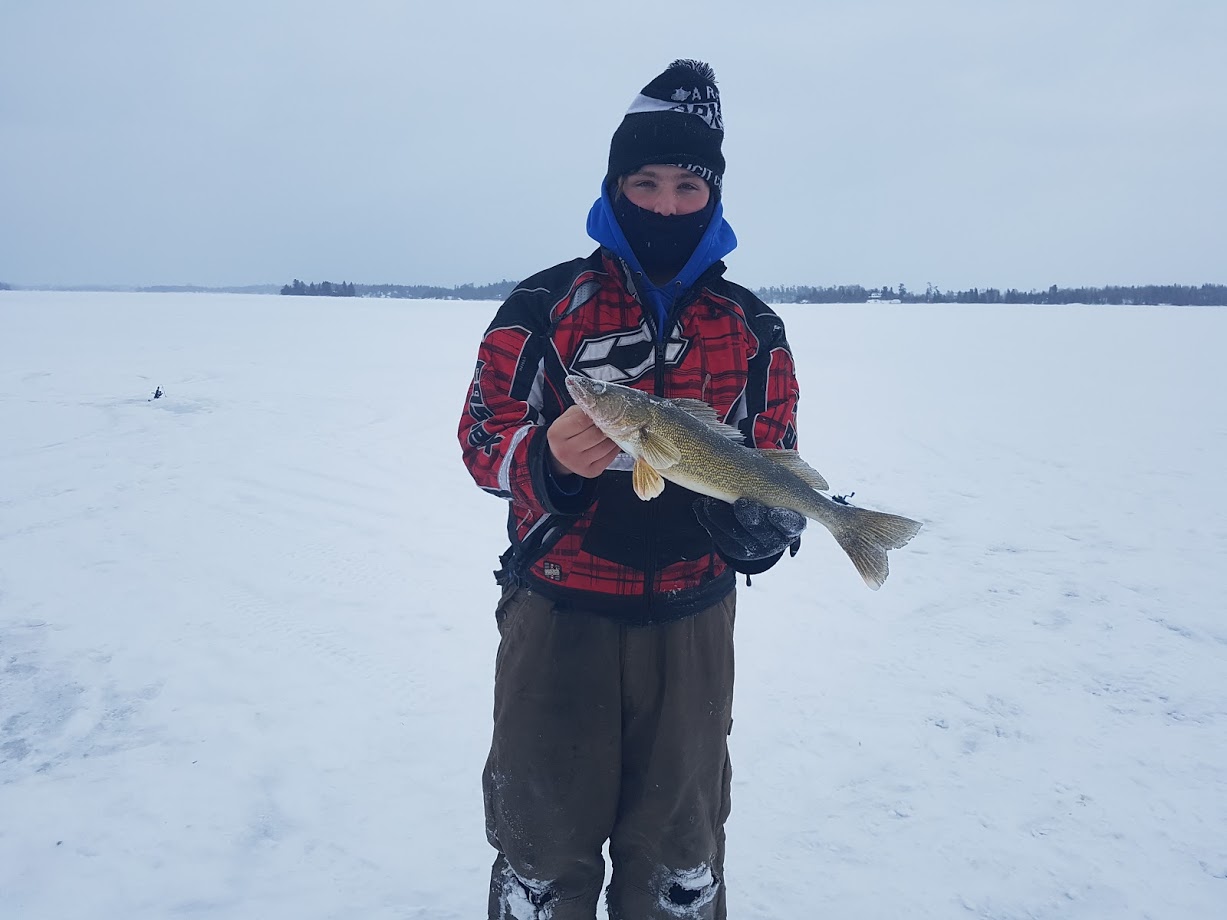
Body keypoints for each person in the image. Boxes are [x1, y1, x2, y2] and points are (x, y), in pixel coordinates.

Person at [458, 59, 807, 920]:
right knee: (541, 857)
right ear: (614, 186)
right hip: (557, 613)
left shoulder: (752, 327)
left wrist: (760, 527)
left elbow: (773, 455)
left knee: (678, 865)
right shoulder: (543, 305)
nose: (664, 204)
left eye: (687, 185)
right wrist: (541, 462)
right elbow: (480, 439)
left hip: (692, 623)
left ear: (713, 193)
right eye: (643, 182)